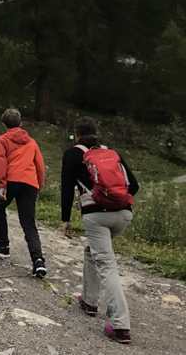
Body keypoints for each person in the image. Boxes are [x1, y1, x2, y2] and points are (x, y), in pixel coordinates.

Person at [61, 116, 139, 345]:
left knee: (106, 264)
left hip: (96, 216)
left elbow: (66, 188)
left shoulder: (73, 154)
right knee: (92, 252)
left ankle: (120, 325)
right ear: (96, 134)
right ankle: (88, 301)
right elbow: (134, 185)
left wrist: (65, 219)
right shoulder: (111, 152)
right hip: (124, 214)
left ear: (77, 134)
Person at [0, 108, 48, 277]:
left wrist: (2, 184)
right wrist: (38, 186)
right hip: (30, 183)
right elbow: (40, 166)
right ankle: (38, 261)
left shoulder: (3, 139)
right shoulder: (32, 142)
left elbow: (1, 161)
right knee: (28, 222)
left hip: (12, 180)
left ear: (3, 124)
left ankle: (3, 245)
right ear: (21, 123)